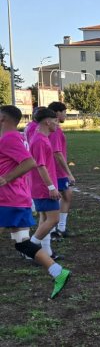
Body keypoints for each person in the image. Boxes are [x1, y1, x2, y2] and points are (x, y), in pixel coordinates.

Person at [0, 105, 70, 299]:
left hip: (8, 199)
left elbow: (30, 162)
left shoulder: (10, 138)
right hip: (17, 198)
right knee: (22, 244)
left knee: (26, 240)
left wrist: (6, 178)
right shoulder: (17, 137)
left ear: (3, 118)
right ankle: (58, 271)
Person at [28, 108, 63, 260]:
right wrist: (51, 187)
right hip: (43, 188)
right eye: (55, 121)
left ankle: (47, 251)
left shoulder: (41, 138)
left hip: (41, 186)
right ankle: (29, 249)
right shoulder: (40, 140)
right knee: (54, 219)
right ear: (48, 121)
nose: (57, 124)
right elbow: (41, 166)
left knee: (45, 219)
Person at [47, 102, 76, 239]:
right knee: (59, 197)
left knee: (66, 195)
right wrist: (69, 173)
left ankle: (60, 228)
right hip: (57, 170)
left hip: (56, 170)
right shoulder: (55, 130)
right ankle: (54, 230)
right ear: (57, 113)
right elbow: (57, 153)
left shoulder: (55, 128)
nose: (65, 114)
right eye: (64, 112)